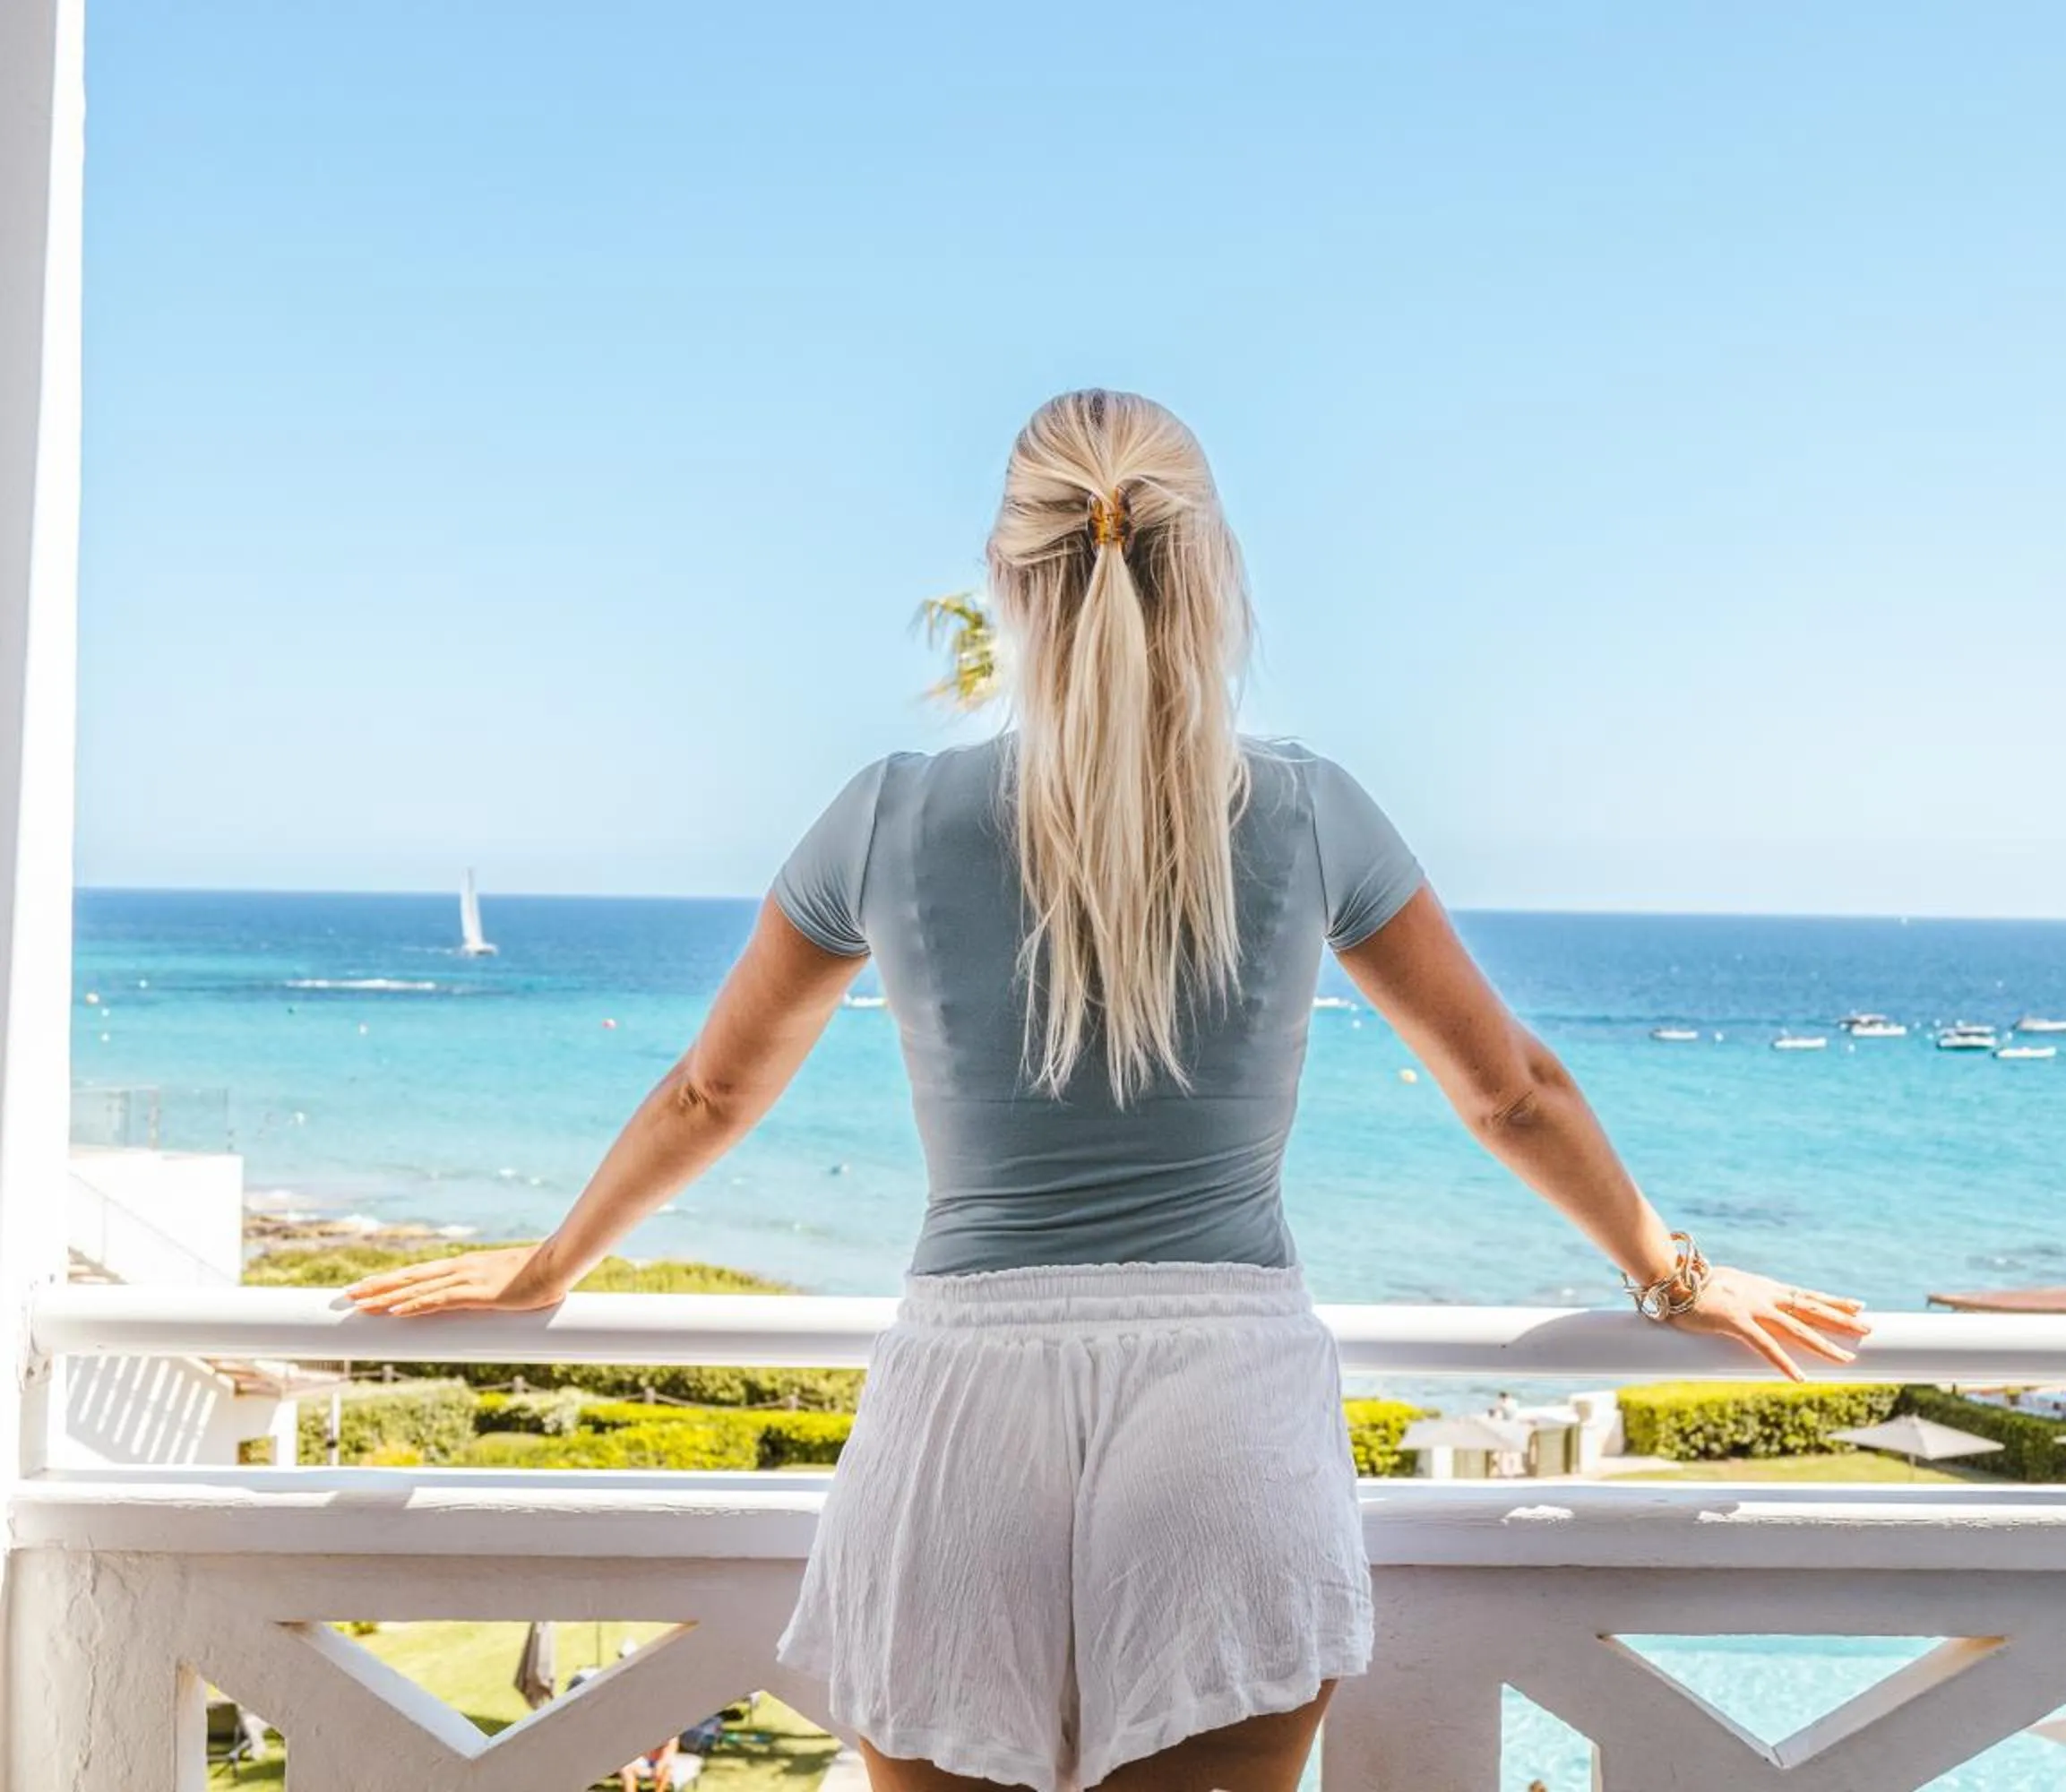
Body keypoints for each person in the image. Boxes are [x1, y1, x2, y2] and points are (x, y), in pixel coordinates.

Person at [340, 391, 1871, 1792]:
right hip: (1228, 1409)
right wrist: (1671, 1273)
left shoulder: (887, 813)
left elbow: (710, 1091)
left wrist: (554, 1263)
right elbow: (1512, 1093)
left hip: (964, 1411)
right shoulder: (1306, 808)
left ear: (1011, 578)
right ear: (1214, 577)